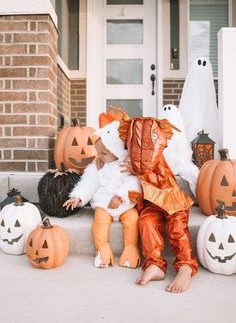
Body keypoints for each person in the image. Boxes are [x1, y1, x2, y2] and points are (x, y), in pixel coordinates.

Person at [118, 113, 198, 293]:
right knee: (146, 222)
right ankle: (155, 265)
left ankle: (185, 265)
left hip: (171, 198)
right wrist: (100, 156)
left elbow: (150, 168)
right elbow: (110, 150)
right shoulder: (128, 157)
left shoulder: (156, 160)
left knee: (177, 225)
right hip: (151, 202)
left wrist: (139, 171)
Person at [63, 120, 141, 269]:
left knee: (132, 219)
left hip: (124, 204)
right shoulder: (98, 165)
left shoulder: (127, 165)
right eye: (98, 152)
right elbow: (89, 182)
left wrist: (121, 196)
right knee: (100, 221)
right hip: (104, 204)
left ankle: (130, 248)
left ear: (116, 151)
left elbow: (133, 183)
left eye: (104, 153)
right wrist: (78, 196)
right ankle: (102, 249)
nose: (99, 155)